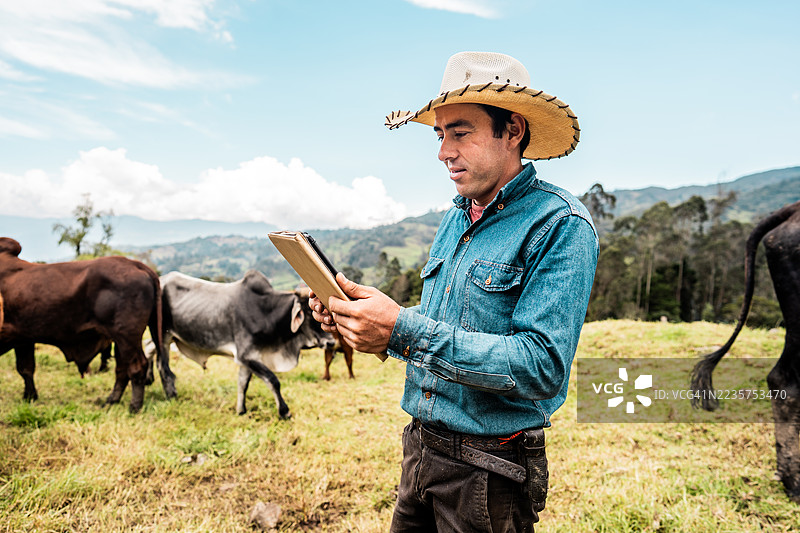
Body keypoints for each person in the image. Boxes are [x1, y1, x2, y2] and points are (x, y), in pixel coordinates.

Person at [309, 51, 598, 532]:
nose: (443, 152)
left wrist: (401, 327)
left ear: (513, 131)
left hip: (490, 471)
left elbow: (542, 366)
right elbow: (447, 320)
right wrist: (371, 322)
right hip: (421, 450)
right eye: (440, 135)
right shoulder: (456, 215)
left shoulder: (561, 225)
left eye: (460, 133)